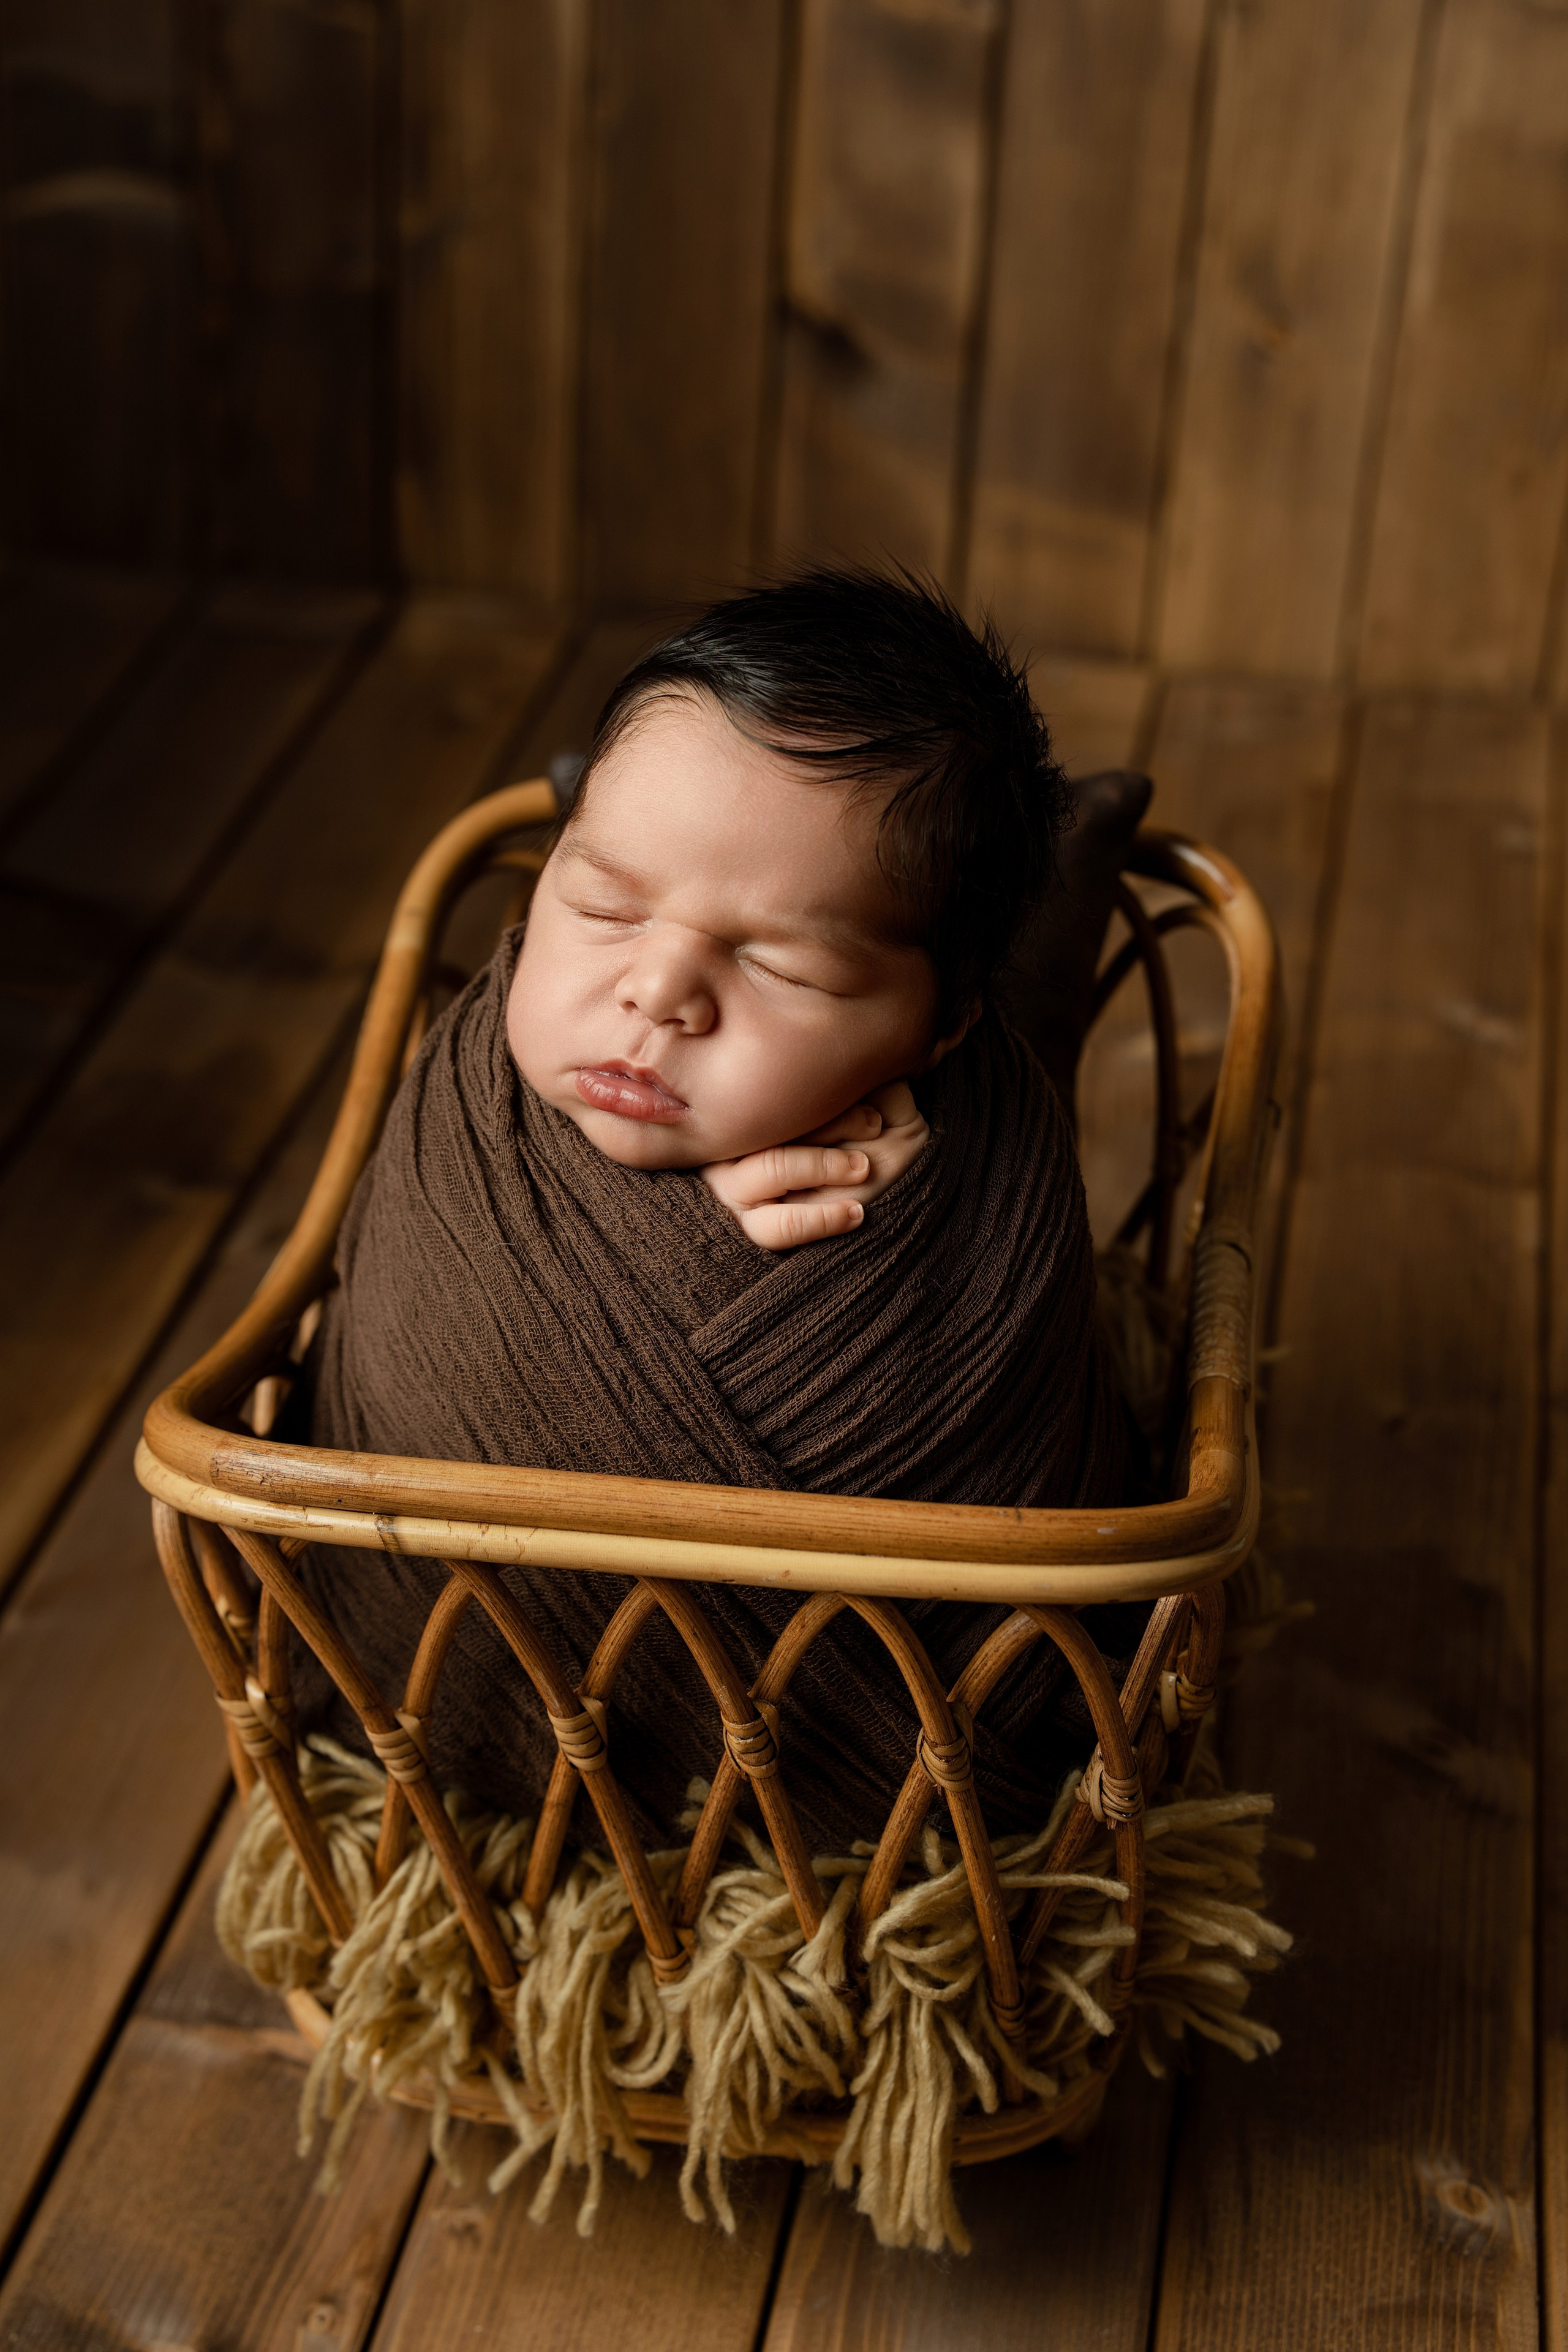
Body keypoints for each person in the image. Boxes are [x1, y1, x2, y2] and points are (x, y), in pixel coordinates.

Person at [290, 570, 1147, 1850]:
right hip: (423, 1687)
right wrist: (686, 1240)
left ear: (941, 1028)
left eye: (778, 965)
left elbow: (984, 1454)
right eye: (602, 905)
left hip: (865, 1805)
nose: (657, 991)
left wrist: (869, 1269)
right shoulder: (472, 1101)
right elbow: (407, 1324)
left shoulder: (965, 1172)